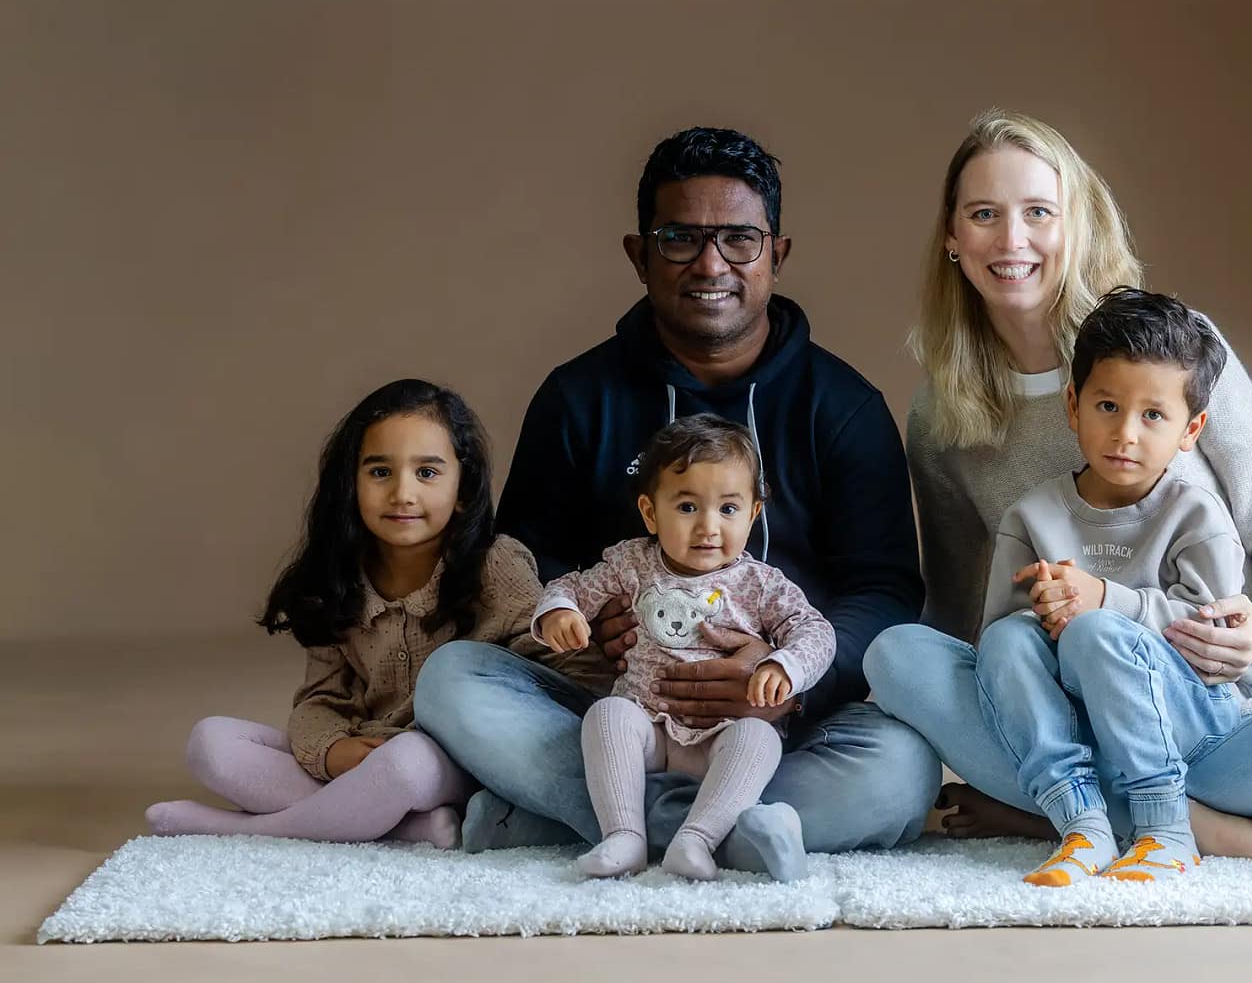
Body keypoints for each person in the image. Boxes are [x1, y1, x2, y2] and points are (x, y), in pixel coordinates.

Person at [865, 110, 1252, 865]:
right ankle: (1229, 834)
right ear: (951, 236)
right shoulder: (943, 418)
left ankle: (1079, 817)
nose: (1012, 241)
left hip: (1231, 716)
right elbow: (962, 609)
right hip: (1079, 731)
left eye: (1039, 212)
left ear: (1078, 225)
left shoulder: (1174, 351)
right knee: (901, 652)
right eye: (984, 215)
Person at [414, 126, 938, 879]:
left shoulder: (842, 407)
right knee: (452, 679)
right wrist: (591, 627)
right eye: (679, 238)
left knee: (902, 772)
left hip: (782, 719)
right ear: (640, 254)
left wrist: (782, 679)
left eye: (738, 240)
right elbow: (523, 558)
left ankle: (571, 817)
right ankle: (723, 831)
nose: (710, 263)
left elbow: (886, 590)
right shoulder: (578, 398)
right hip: (617, 707)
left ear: (777, 255)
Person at [145, 379, 541, 848]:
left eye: (427, 473)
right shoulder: (338, 579)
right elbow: (320, 699)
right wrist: (334, 753)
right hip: (368, 756)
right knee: (210, 743)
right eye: (379, 473)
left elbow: (548, 672)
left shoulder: (496, 564)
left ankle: (244, 830)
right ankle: (404, 827)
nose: (402, 494)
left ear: (462, 489)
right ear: (350, 484)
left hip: (450, 766)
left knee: (407, 764)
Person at [978, 286, 1252, 885]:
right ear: (1073, 405)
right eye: (1108, 407)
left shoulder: (1198, 517)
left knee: (1098, 630)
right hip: (1074, 726)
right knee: (974, 643)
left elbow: (1216, 650)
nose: (1126, 433)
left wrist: (1103, 601)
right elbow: (1001, 650)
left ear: (1191, 428)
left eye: (1153, 415)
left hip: (1186, 721)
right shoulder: (1031, 517)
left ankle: (1164, 830)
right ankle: (1084, 824)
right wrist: (1044, 617)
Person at [538, 415, 835, 881]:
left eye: (728, 509)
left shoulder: (760, 584)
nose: (709, 527)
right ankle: (624, 835)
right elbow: (571, 587)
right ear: (650, 512)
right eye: (688, 507)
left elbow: (814, 630)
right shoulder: (630, 563)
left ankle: (695, 838)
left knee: (759, 739)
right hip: (647, 729)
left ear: (755, 513)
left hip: (721, 734)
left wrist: (785, 665)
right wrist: (560, 612)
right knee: (607, 715)